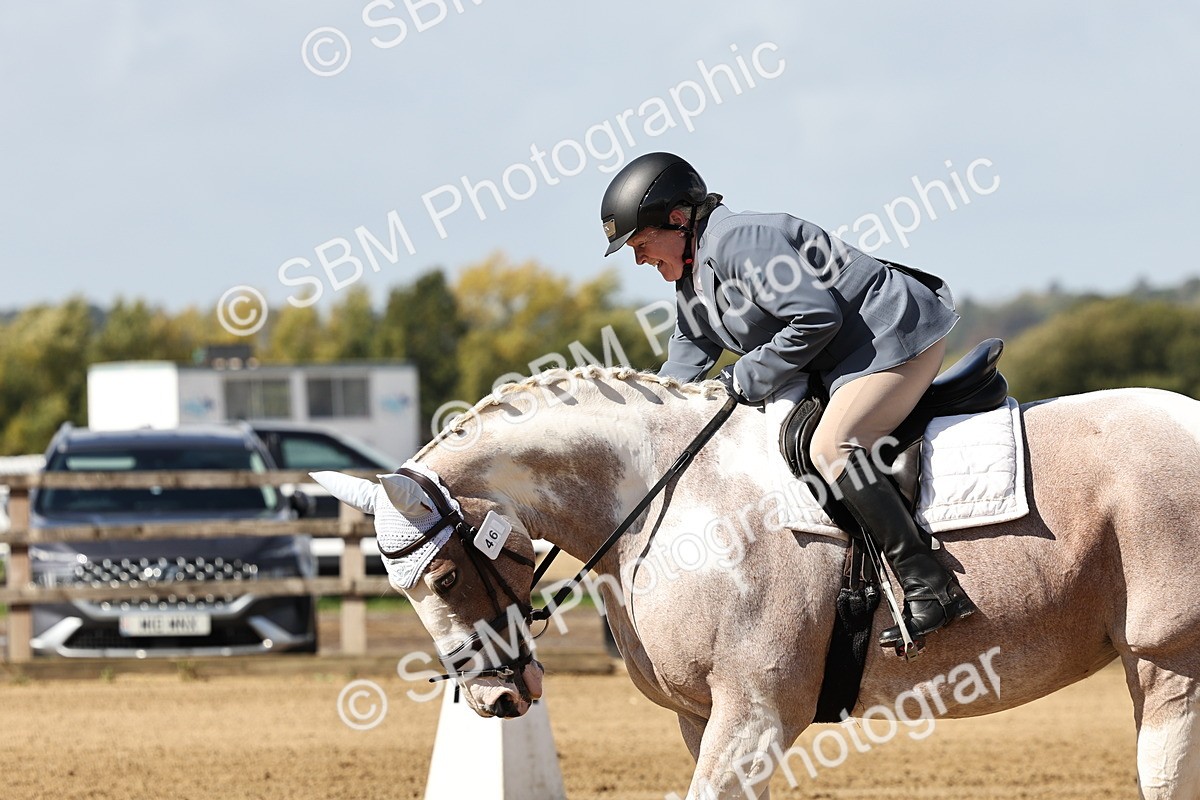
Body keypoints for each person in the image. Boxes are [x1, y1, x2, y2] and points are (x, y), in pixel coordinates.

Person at [600, 151, 976, 649]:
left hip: (892, 335)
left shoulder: (741, 241)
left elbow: (816, 318)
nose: (640, 258)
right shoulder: (692, 272)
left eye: (642, 244)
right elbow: (690, 351)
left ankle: (930, 582)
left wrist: (745, 375)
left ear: (678, 220)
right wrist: (648, 416)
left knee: (834, 447)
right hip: (842, 360)